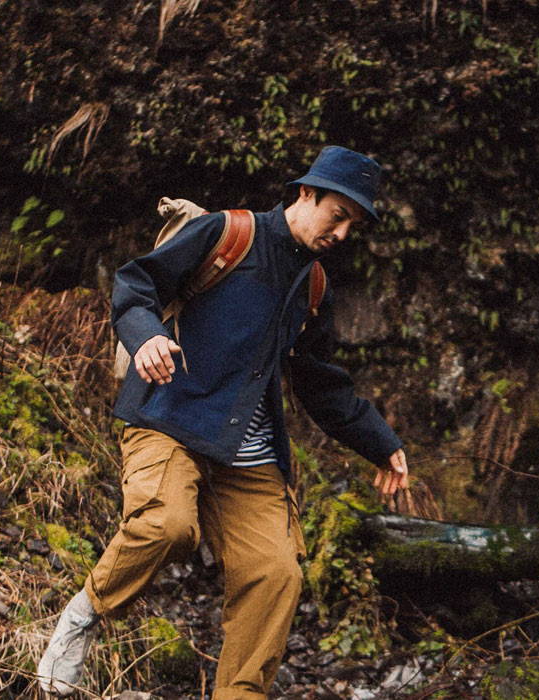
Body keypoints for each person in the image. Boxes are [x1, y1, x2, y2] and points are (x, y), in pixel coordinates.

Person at [37, 146, 412, 699]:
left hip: (249, 452)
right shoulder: (227, 234)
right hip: (169, 419)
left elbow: (319, 382)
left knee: (277, 574)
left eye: (353, 225)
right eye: (338, 216)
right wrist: (146, 338)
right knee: (166, 524)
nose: (341, 233)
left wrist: (380, 442)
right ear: (307, 194)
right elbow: (136, 284)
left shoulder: (315, 286)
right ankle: (83, 618)